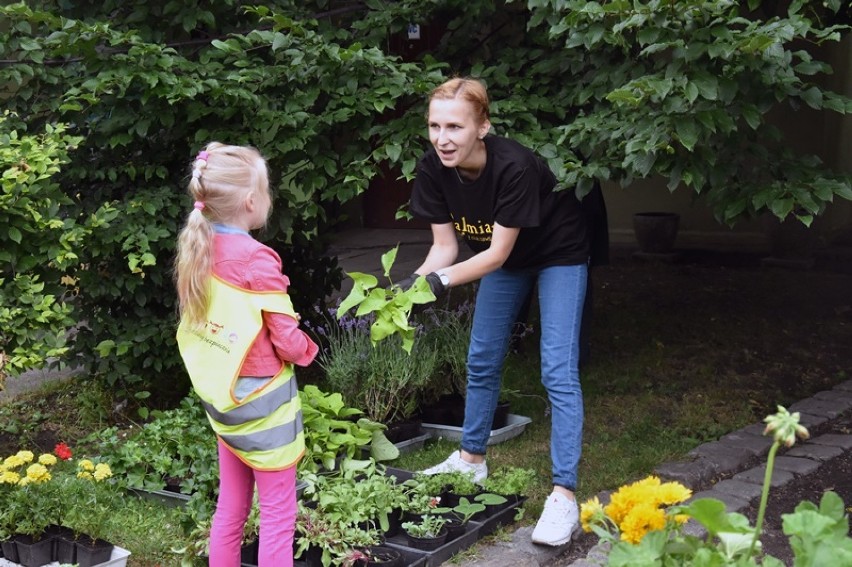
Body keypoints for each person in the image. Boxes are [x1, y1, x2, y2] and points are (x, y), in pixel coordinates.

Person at [403, 77, 590, 546]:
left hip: (557, 253)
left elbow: (496, 256)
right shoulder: (433, 168)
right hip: (502, 258)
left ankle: (564, 497)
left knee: (558, 371)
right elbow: (443, 249)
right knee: (482, 358)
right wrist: (406, 291)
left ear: (481, 127)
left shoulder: (515, 167)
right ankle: (472, 462)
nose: (443, 139)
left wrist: (437, 284)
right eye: (434, 126)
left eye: (455, 127)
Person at [174, 142, 318, 567]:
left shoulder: (197, 247)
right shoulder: (257, 259)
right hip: (263, 403)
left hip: (223, 401)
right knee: (278, 515)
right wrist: (311, 350)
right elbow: (287, 340)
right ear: (253, 202)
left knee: (231, 507)